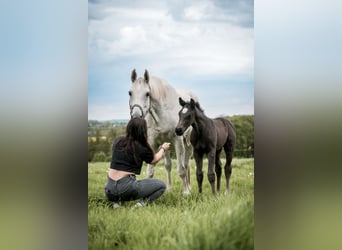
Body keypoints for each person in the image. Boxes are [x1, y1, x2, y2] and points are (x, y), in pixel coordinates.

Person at [104, 117, 171, 208]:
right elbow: (154, 160)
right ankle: (139, 206)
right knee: (161, 185)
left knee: (120, 187)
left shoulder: (117, 141)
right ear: (143, 131)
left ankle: (117, 202)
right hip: (126, 188)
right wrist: (163, 148)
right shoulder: (142, 147)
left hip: (109, 189)